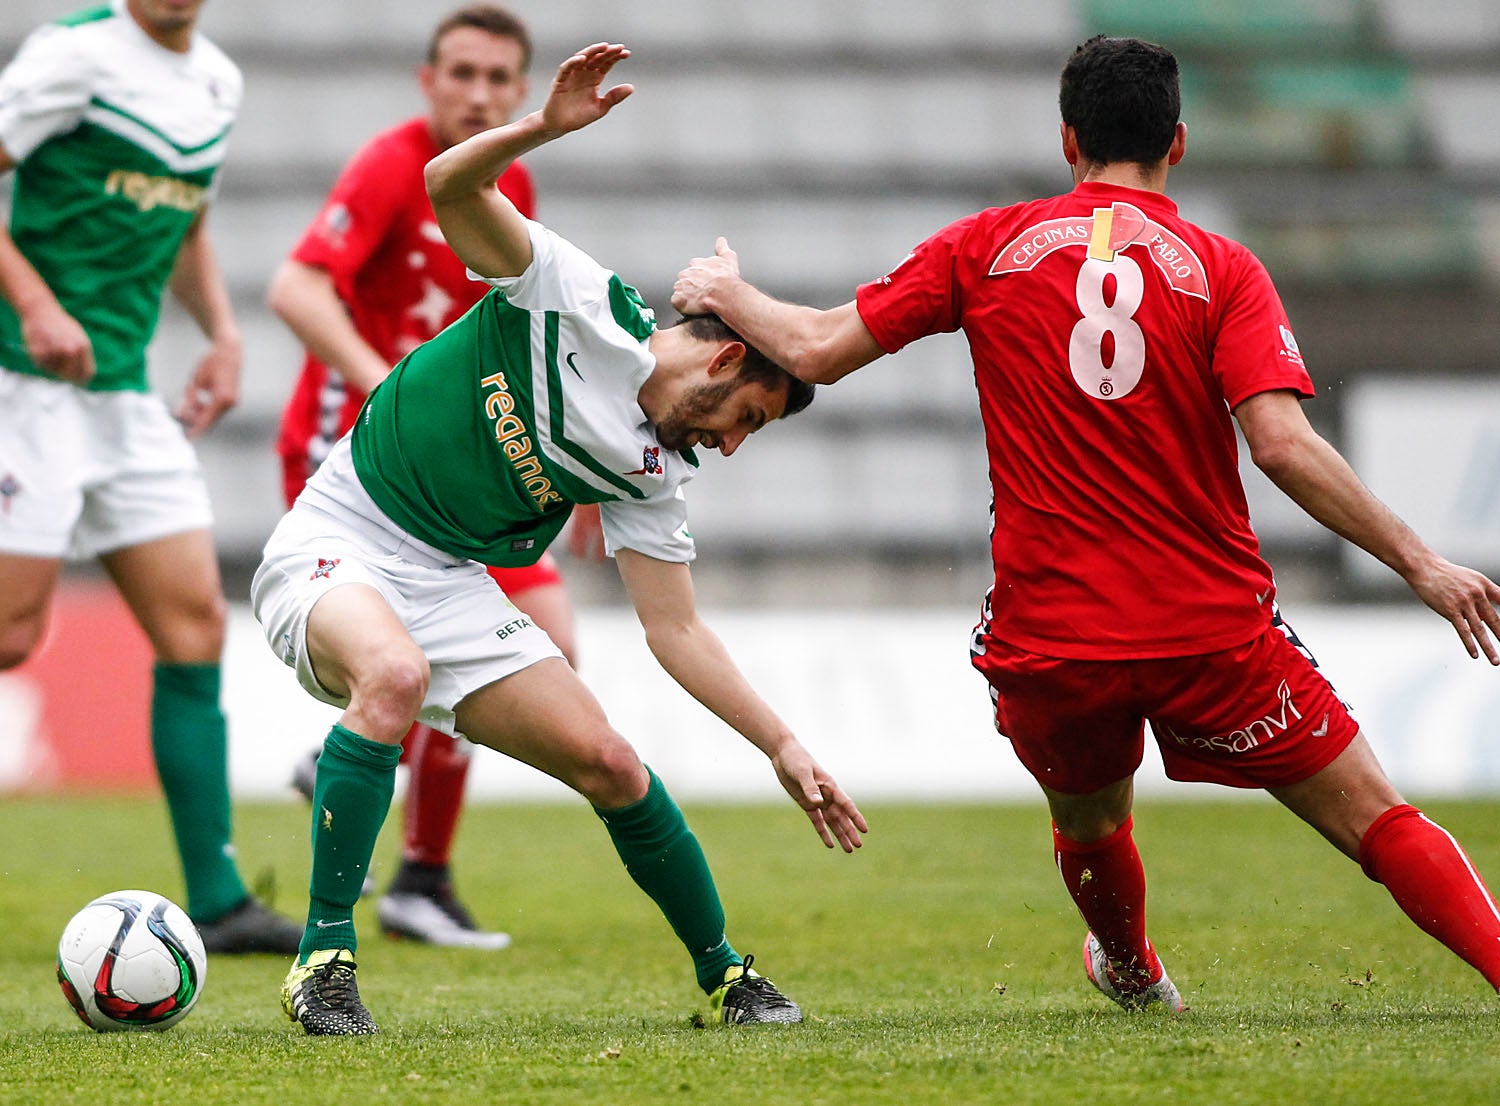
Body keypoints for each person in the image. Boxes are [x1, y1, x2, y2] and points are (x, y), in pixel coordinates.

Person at [671, 34, 1500, 1012]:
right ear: (1178, 143)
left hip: (1052, 638)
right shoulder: (1223, 268)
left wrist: (726, 293)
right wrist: (1422, 563)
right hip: (1211, 631)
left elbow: (813, 347)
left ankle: (1133, 967)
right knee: (1376, 817)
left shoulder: (982, 246)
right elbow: (1280, 444)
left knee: (1093, 818)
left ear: (1067, 139)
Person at [253, 42, 868, 1036]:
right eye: (746, 415)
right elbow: (446, 183)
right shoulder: (573, 297)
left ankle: (727, 974)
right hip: (338, 539)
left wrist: (783, 746)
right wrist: (539, 127)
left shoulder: (656, 468)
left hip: (448, 582)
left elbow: (679, 633)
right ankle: (324, 957)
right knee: (395, 676)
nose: (732, 443)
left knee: (613, 762)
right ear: (721, 355)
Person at [268, 3, 604, 950]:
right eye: (462, 73)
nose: (480, 93)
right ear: (428, 80)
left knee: (551, 640)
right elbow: (296, 286)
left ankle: (413, 865)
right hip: (357, 455)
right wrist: (388, 387)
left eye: (500, 79)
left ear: (521, 89)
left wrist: (572, 471)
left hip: (457, 464)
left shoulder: (513, 179)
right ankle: (413, 865)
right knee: (430, 654)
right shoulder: (391, 164)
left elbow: (521, 337)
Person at [0, 0, 300, 954]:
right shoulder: (73, 55)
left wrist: (220, 330)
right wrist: (39, 305)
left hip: (124, 396)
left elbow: (188, 218)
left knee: (194, 624)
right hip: (24, 382)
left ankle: (215, 898)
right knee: (10, 638)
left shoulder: (217, 80)